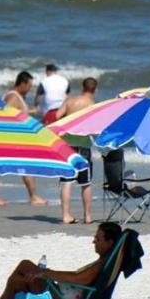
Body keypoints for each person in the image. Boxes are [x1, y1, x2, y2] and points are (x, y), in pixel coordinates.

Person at [0, 221, 122, 299]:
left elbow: (78, 278)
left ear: (110, 242)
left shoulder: (102, 264)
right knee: (16, 280)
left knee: (26, 264)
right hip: (62, 294)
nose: (94, 241)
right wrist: (48, 273)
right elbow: (76, 277)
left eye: (98, 239)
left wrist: (45, 273)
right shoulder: (104, 262)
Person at [55, 77, 98, 224]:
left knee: (67, 181)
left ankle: (66, 215)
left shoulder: (70, 100)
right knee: (86, 182)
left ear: (82, 87)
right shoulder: (93, 105)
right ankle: (88, 216)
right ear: (95, 89)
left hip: (67, 146)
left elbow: (57, 117)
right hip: (84, 146)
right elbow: (95, 128)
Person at [2, 71, 48, 206]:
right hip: (14, 137)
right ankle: (33, 196)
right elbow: (5, 113)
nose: (29, 89)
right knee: (28, 166)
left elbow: (16, 112)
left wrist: (31, 112)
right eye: (29, 86)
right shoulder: (14, 96)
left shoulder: (15, 95)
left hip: (14, 136)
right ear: (22, 83)